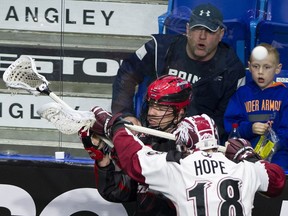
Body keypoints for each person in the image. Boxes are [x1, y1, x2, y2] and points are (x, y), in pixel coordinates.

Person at [90, 110, 285, 216]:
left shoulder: (179, 168)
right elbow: (276, 183)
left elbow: (135, 159)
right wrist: (249, 157)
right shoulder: (244, 168)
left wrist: (114, 125)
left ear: (184, 143)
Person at [112, 2, 246, 142]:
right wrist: (125, 114)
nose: (202, 36)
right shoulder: (160, 49)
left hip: (198, 142)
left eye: (209, 31)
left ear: (220, 34)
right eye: (196, 29)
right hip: (154, 134)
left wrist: (201, 139)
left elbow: (225, 119)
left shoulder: (232, 69)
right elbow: (126, 74)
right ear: (187, 30)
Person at [79, 75, 193, 215]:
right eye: (151, 104)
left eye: (160, 107)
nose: (152, 112)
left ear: (179, 113)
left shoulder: (191, 147)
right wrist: (102, 157)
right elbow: (118, 192)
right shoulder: (146, 139)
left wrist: (116, 128)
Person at [224, 43, 288, 170]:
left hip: (278, 155)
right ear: (249, 67)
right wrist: (250, 128)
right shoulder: (241, 94)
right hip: (245, 153)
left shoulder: (284, 95)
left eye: (267, 67)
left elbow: (286, 130)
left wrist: (272, 144)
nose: (260, 72)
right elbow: (231, 126)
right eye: (256, 66)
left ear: (277, 68)